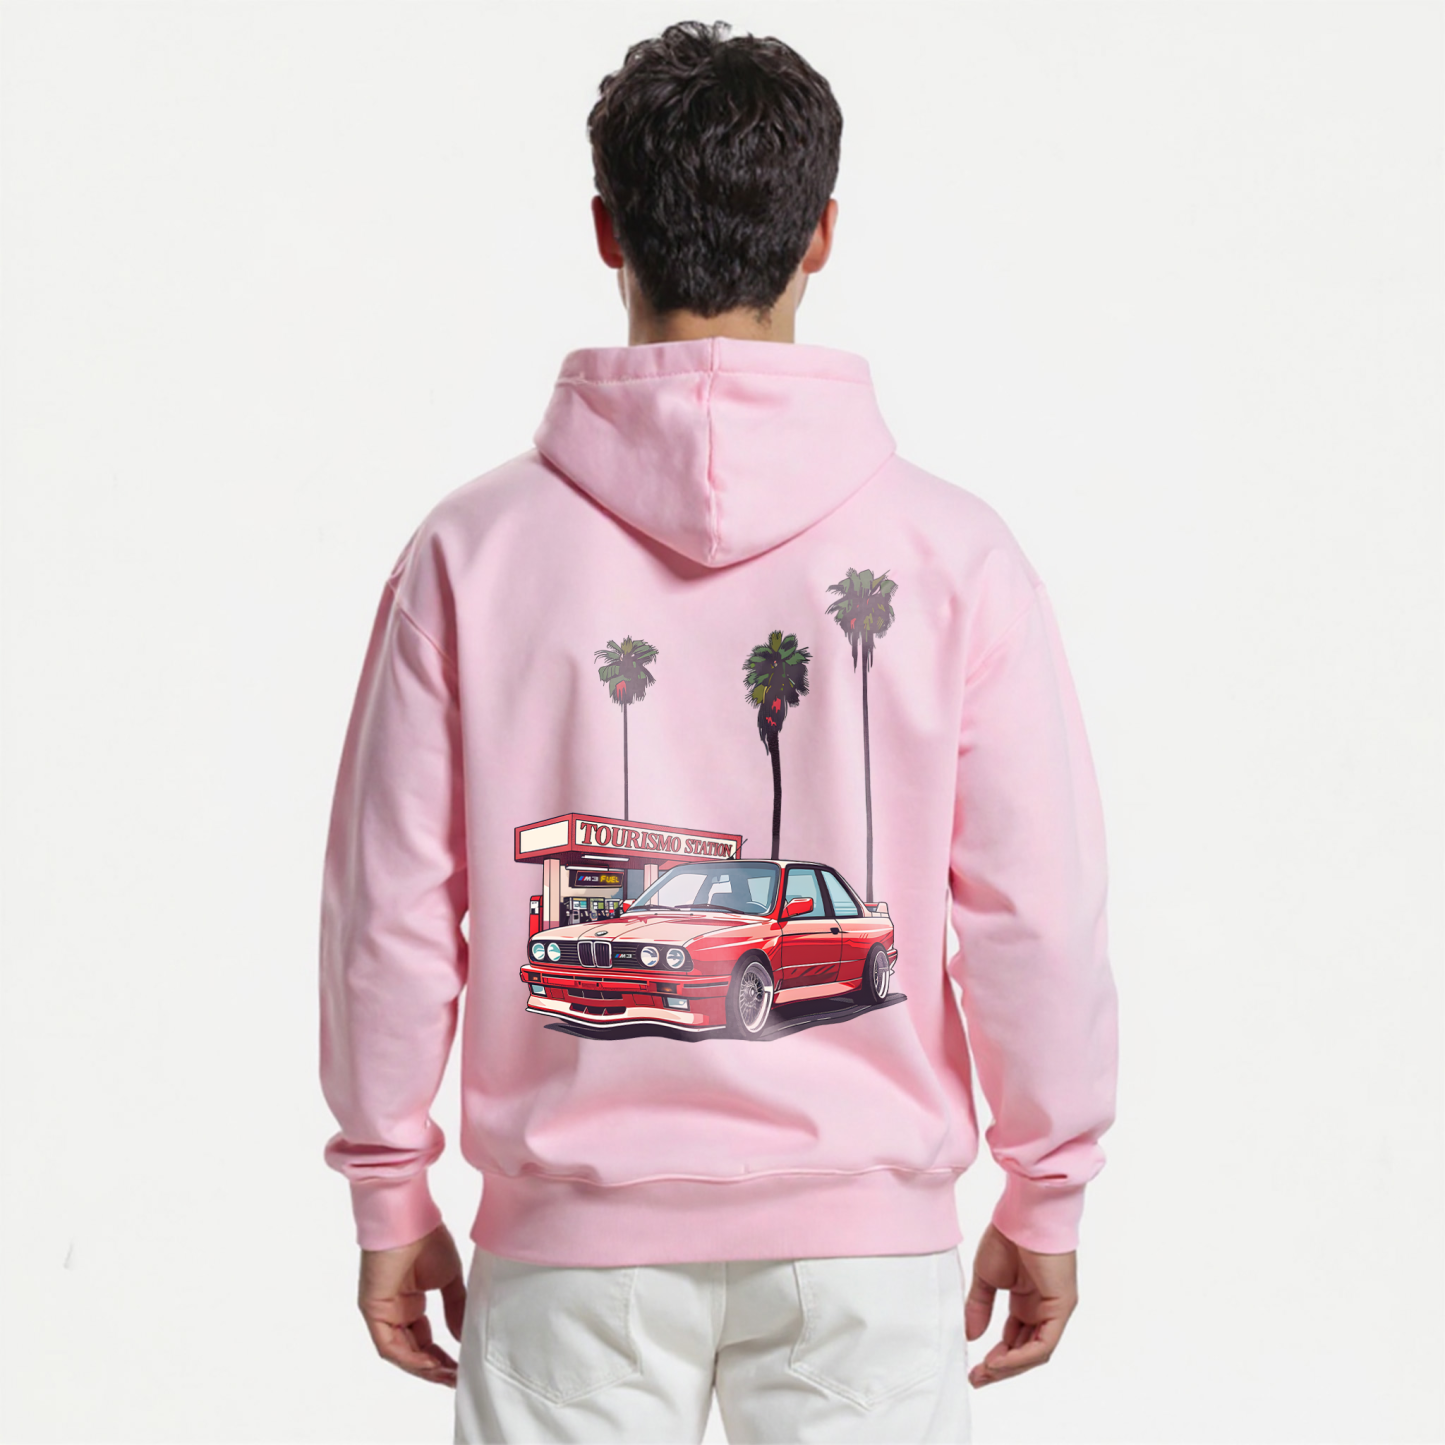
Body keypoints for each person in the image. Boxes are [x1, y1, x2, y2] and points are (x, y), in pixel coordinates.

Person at [318, 20, 1118, 1445]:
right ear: (821, 237)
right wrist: (1045, 1187)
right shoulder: (956, 556)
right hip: (866, 1254)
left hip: (568, 1254)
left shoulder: (468, 553)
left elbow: (390, 911)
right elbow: (1035, 916)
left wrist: (392, 1189)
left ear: (606, 231)